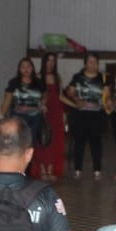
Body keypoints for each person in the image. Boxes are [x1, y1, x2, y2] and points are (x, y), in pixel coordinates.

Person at [63, 53, 107, 179]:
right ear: (85, 63)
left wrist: (108, 102)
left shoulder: (103, 78)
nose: (92, 64)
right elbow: (69, 92)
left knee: (96, 142)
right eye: (90, 62)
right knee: (79, 141)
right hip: (80, 114)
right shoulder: (78, 77)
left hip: (97, 114)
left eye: (95, 62)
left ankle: (97, 169)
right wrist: (76, 99)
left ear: (98, 64)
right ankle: (78, 169)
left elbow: (107, 94)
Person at [4, 57, 48, 172]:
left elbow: (45, 96)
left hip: (35, 118)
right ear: (19, 69)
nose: (26, 69)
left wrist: (43, 104)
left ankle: (26, 171)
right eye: (23, 67)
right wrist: (1, 116)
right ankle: (16, 171)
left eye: (28, 66)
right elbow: (7, 101)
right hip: (18, 118)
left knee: (30, 146)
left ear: (32, 68)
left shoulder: (39, 83)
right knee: (17, 145)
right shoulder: (14, 83)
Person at [35, 52, 68, 181]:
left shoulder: (57, 77)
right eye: (48, 60)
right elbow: (35, 95)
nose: (51, 63)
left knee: (54, 141)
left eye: (53, 60)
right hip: (44, 111)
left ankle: (50, 170)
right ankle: (42, 170)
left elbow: (61, 96)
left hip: (56, 111)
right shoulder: (38, 76)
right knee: (42, 140)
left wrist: (74, 105)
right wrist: (40, 105)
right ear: (44, 62)